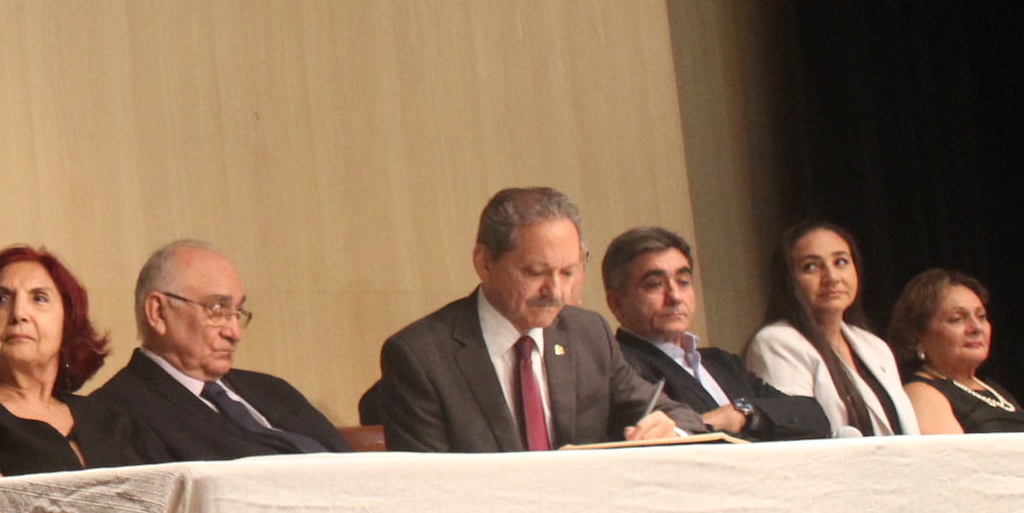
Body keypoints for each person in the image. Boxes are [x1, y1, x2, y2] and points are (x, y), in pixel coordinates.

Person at [378, 187, 698, 453]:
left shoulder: (588, 334)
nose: (556, 291)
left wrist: (668, 430)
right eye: (535, 272)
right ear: (485, 262)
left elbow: (679, 415)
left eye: (568, 272)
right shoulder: (421, 356)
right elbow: (424, 489)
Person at [88, 240, 351, 458]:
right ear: (158, 312)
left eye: (237, 312)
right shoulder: (117, 415)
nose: (234, 333)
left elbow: (353, 466)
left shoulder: (274, 391)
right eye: (217, 310)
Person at [0, 245, 152, 477]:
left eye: (39, 298)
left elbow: (148, 505)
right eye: (1, 299)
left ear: (67, 321)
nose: (18, 313)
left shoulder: (106, 418)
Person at [602, 226, 829, 440]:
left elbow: (813, 415)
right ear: (617, 304)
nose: (675, 296)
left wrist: (742, 413)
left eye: (683, 282)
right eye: (654, 285)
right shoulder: (621, 370)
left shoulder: (722, 362)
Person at [744, 220, 916, 438]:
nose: (832, 277)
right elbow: (794, 433)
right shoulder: (778, 343)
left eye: (841, 262)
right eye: (811, 267)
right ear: (788, 281)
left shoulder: (875, 346)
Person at [891, 269, 1024, 434]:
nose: (976, 328)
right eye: (957, 319)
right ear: (916, 335)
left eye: (981, 316)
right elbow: (952, 459)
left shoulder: (989, 387)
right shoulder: (922, 395)